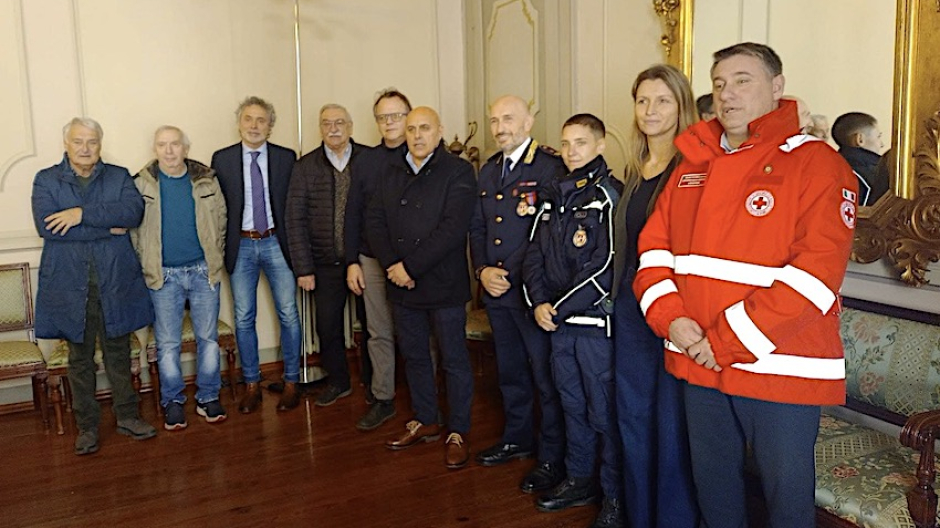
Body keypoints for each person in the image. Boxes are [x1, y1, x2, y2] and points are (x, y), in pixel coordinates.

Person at [633, 42, 856, 528]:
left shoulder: (817, 163)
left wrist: (724, 341)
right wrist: (674, 322)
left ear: (777, 87)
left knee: (785, 501)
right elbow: (652, 254)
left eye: (742, 80)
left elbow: (815, 278)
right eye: (718, 84)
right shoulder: (691, 164)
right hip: (700, 360)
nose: (727, 94)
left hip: (779, 366)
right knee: (713, 489)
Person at [32, 117, 157, 455]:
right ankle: (87, 427)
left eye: (91, 142)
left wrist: (79, 215)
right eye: (78, 141)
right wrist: (106, 223)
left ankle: (128, 417)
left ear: (100, 145)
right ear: (66, 144)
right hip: (71, 287)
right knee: (80, 359)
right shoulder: (46, 180)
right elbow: (48, 226)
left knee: (119, 353)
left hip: (115, 283)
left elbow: (132, 213)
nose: (85, 148)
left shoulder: (118, 175)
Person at [522, 114, 622, 528]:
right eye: (565, 143)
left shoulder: (607, 195)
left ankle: (615, 496)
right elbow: (532, 256)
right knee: (571, 404)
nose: (571, 151)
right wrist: (539, 302)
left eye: (581, 143)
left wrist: (557, 308)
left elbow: (606, 269)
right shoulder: (552, 196)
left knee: (603, 411)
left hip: (594, 326)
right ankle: (579, 478)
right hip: (557, 324)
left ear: (599, 145)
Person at [611, 65, 699, 528]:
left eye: (662, 100)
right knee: (632, 419)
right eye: (642, 101)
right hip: (629, 309)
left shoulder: (693, 170)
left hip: (670, 312)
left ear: (681, 105)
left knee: (669, 427)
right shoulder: (635, 167)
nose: (650, 110)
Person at [366, 106, 476, 469]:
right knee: (414, 355)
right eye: (411, 128)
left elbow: (452, 228)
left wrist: (410, 267)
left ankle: (458, 430)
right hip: (402, 284)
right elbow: (375, 222)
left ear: (439, 130)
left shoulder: (458, 170)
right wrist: (394, 268)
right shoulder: (389, 169)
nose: (416, 135)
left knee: (454, 360)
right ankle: (426, 418)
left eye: (424, 128)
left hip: (443, 283)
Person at [469, 95, 566, 493]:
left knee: (545, 375)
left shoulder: (548, 166)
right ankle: (517, 437)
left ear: (528, 122)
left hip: (532, 291)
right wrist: (482, 271)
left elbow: (545, 232)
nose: (499, 127)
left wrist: (505, 271)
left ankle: (551, 456)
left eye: (508, 119)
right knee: (510, 372)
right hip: (496, 290)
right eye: (493, 120)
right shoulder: (490, 171)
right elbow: (476, 228)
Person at [131, 126, 228, 430]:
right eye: (163, 145)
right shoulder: (142, 184)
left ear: (186, 148)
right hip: (164, 276)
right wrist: (146, 263)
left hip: (202, 271)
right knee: (168, 343)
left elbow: (221, 219)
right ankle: (173, 401)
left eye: (175, 144)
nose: (169, 150)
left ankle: (208, 397)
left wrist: (215, 256)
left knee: (208, 339)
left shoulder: (205, 179)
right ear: (155, 149)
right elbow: (134, 230)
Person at [212, 96, 302, 413]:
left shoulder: (286, 158)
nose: (254, 125)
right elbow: (217, 209)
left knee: (289, 314)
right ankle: (252, 384)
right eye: (248, 119)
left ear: (270, 126)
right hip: (242, 245)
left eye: (261, 120)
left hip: (277, 243)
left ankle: (291, 382)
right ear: (239, 123)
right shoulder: (221, 160)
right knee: (244, 317)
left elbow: (294, 206)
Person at [287, 103, 366, 407]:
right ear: (320, 129)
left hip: (363, 261)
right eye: (326, 123)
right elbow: (295, 219)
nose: (333, 128)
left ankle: (374, 383)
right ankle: (339, 381)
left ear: (350, 126)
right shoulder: (305, 166)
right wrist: (303, 268)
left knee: (373, 326)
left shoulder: (368, 160)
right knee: (327, 327)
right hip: (323, 263)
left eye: (339, 122)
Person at [345, 88, 412, 431]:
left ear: (409, 117)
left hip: (412, 262)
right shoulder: (367, 160)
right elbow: (353, 211)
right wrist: (352, 260)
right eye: (383, 117)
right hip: (371, 259)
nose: (390, 123)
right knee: (378, 331)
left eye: (396, 115)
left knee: (418, 332)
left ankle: (423, 399)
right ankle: (383, 398)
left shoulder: (420, 154)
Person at [832, 111, 887, 205]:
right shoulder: (874, 174)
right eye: (878, 137)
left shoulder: (830, 167)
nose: (882, 144)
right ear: (860, 139)